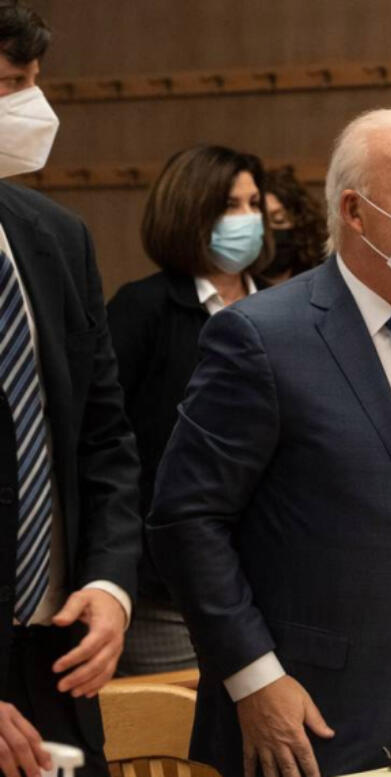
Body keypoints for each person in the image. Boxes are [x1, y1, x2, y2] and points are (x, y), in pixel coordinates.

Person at [147, 108, 391, 776]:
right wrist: (253, 675)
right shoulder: (261, 337)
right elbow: (187, 519)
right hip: (310, 718)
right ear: (353, 210)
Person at [0, 2, 141, 774]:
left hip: (58, 655)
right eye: (9, 83)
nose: (33, 106)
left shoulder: (54, 235)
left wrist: (111, 582)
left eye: (33, 81)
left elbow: (105, 438)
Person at [107, 145, 272, 676]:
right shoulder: (142, 310)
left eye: (253, 204)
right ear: (190, 212)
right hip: (166, 590)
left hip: (269, 578)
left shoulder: (281, 308)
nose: (246, 220)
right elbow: (109, 442)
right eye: (229, 205)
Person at [259, 165, 327, 286]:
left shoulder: (322, 276)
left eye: (278, 220)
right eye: (261, 223)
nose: (270, 233)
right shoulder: (240, 285)